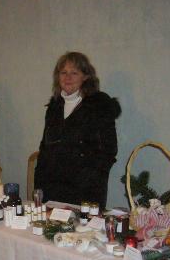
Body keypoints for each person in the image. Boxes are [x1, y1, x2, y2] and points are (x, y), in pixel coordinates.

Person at [34, 52, 121, 208]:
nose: (68, 77)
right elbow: (45, 149)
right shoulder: (54, 107)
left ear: (86, 76)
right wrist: (39, 186)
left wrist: (88, 179)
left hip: (86, 192)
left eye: (74, 73)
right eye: (63, 72)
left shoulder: (99, 106)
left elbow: (108, 151)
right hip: (53, 190)